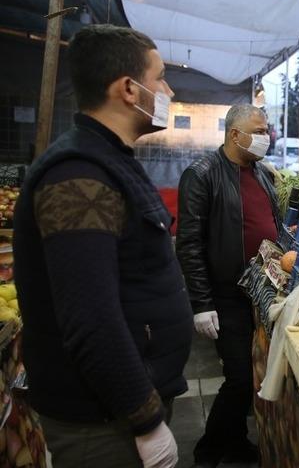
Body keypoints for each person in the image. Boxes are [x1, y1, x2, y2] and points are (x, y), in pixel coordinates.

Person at [13, 25, 189, 467]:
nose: (167, 89)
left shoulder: (110, 160)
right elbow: (90, 317)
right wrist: (146, 419)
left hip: (119, 411)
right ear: (129, 89)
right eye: (160, 77)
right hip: (103, 425)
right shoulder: (78, 174)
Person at [176, 104, 283, 466]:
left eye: (267, 130)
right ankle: (207, 449)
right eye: (259, 131)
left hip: (260, 291)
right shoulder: (202, 174)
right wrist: (201, 302)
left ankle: (235, 442)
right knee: (238, 378)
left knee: (250, 374)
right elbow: (189, 242)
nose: (266, 137)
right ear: (235, 134)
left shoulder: (262, 173)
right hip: (226, 293)